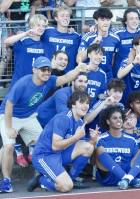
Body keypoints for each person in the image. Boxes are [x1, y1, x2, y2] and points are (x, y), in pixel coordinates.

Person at [0, 56, 87, 193]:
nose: (46, 72)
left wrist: (77, 70)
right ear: (34, 70)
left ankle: (46, 175)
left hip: (29, 117)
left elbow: (65, 78)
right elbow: (9, 105)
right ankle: (6, 182)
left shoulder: (50, 80)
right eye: (43, 69)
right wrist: (9, 128)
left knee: (44, 142)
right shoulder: (23, 83)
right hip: (9, 115)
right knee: (9, 146)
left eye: (48, 69)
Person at [28, 91, 98, 192]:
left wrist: (93, 140)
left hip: (60, 154)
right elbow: (55, 146)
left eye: (87, 103)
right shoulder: (63, 118)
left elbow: (80, 146)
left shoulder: (80, 121)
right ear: (73, 104)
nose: (85, 106)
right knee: (66, 187)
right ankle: (41, 180)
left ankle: (71, 178)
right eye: (82, 102)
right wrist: (75, 137)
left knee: (88, 147)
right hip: (45, 155)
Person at [95, 106, 140, 190]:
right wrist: (92, 141)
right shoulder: (101, 138)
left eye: (120, 118)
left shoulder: (131, 140)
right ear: (108, 121)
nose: (119, 120)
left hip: (127, 170)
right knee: (99, 149)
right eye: (115, 118)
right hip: (108, 174)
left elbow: (135, 161)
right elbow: (94, 161)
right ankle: (129, 179)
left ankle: (128, 179)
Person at [4, 14, 48, 86]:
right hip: (19, 81)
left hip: (36, 83)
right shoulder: (23, 40)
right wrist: (25, 34)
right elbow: (6, 42)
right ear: (31, 26)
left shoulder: (44, 44)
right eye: (38, 25)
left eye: (43, 26)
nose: (41, 28)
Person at [77, 7, 120, 80]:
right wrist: (93, 44)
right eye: (102, 20)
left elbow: (112, 60)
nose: (106, 23)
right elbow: (79, 59)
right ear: (96, 21)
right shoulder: (88, 37)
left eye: (108, 20)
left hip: (107, 75)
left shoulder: (115, 38)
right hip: (90, 74)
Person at [42, 5, 81, 73]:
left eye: (67, 16)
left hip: (68, 77)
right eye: (62, 15)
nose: (65, 18)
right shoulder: (47, 32)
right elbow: (33, 32)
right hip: (48, 74)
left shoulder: (76, 36)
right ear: (56, 18)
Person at [113, 8, 140, 77]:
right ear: (125, 21)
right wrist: (95, 27)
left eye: (136, 18)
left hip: (137, 74)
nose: (134, 21)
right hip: (121, 73)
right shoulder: (117, 33)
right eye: (131, 19)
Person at [117, 35, 140, 103]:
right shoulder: (127, 61)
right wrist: (134, 62)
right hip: (127, 100)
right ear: (135, 46)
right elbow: (119, 75)